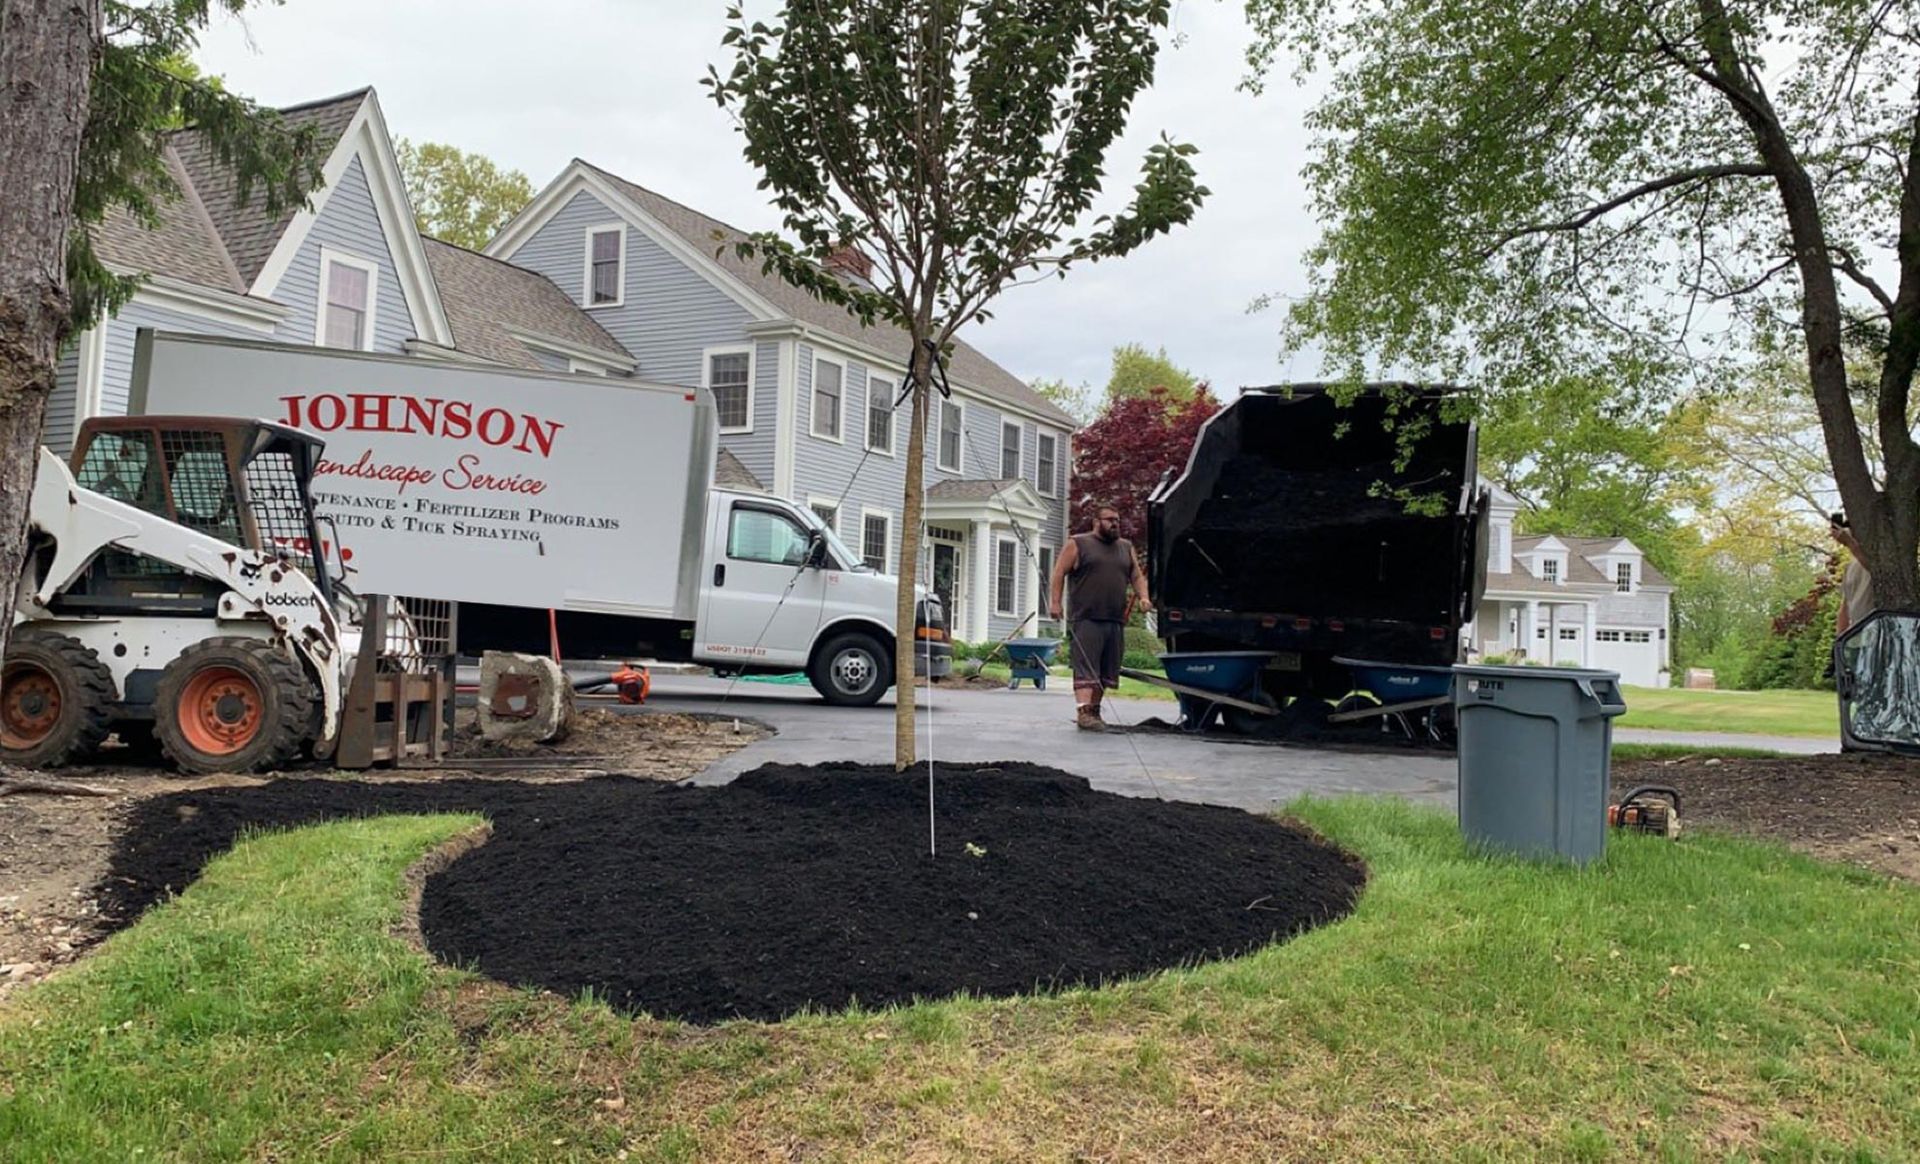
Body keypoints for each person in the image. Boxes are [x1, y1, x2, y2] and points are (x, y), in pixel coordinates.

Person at [1049, 503, 1152, 730]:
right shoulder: (1078, 543)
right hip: (1086, 617)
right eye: (1109, 519)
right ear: (1096, 522)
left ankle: (1094, 712)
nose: (1115, 523)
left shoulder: (1125, 547)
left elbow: (1136, 575)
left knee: (1107, 669)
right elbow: (1058, 573)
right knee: (1086, 667)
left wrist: (1143, 597)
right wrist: (1055, 603)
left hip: (1114, 618)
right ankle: (1083, 711)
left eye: (1117, 519)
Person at [1831, 513, 1875, 637]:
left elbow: (1879, 571)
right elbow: (1845, 606)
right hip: (1857, 636)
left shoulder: (1881, 559)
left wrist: (1850, 543)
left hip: (1877, 634)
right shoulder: (1851, 565)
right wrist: (1839, 640)